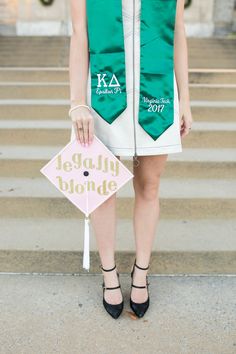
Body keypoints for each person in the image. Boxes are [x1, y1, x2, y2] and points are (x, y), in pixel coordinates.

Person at [69, 0, 193, 319]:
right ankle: (109, 274)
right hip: (102, 95)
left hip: (158, 96)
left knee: (149, 186)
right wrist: (76, 103)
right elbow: (79, 34)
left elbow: (178, 33)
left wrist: (186, 100)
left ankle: (141, 272)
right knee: (102, 189)